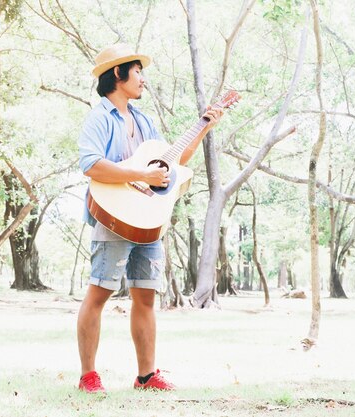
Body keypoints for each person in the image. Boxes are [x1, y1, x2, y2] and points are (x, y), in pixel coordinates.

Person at [76, 43, 223, 393]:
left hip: (147, 220)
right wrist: (140, 175)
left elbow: (171, 159)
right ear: (118, 74)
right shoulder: (99, 117)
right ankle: (88, 376)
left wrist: (205, 125)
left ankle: (146, 376)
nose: (143, 79)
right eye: (138, 71)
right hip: (113, 216)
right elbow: (91, 165)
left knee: (145, 297)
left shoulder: (143, 120)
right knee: (99, 294)